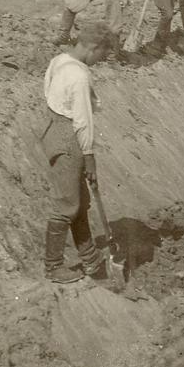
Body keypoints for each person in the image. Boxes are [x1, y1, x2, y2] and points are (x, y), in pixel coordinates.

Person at [41, 22, 118, 283]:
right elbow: (83, 120)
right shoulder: (80, 76)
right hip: (69, 136)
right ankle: (53, 266)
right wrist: (89, 157)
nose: (100, 60)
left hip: (52, 128)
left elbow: (48, 91)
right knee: (67, 205)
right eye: (102, 55)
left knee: (79, 201)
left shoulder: (59, 60)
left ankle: (89, 257)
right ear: (93, 48)